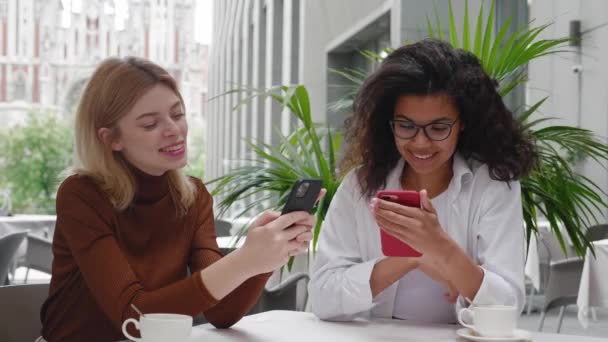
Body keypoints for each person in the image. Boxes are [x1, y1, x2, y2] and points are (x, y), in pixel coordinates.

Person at [39, 57, 317, 342]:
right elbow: (135, 319)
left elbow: (221, 313)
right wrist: (244, 261)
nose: (174, 129)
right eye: (150, 124)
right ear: (111, 139)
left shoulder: (193, 197)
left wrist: (264, 259)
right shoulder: (81, 195)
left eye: (178, 114)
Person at [308, 39, 536, 323]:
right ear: (388, 123)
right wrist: (411, 257)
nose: (420, 143)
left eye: (438, 128)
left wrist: (441, 248)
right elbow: (322, 297)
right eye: (406, 126)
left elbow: (508, 307)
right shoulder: (360, 184)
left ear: (462, 122)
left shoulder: (493, 186)